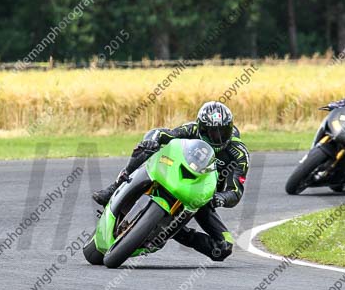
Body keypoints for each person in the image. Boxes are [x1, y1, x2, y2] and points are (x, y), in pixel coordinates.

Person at [92, 101, 250, 261]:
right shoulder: (191, 129)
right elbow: (162, 134)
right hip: (173, 171)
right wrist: (150, 140)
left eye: (222, 132)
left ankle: (177, 232)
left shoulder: (239, 154)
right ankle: (114, 188)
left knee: (224, 247)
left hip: (203, 196)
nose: (218, 137)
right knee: (146, 149)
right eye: (211, 132)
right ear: (201, 127)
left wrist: (221, 198)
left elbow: (236, 192)